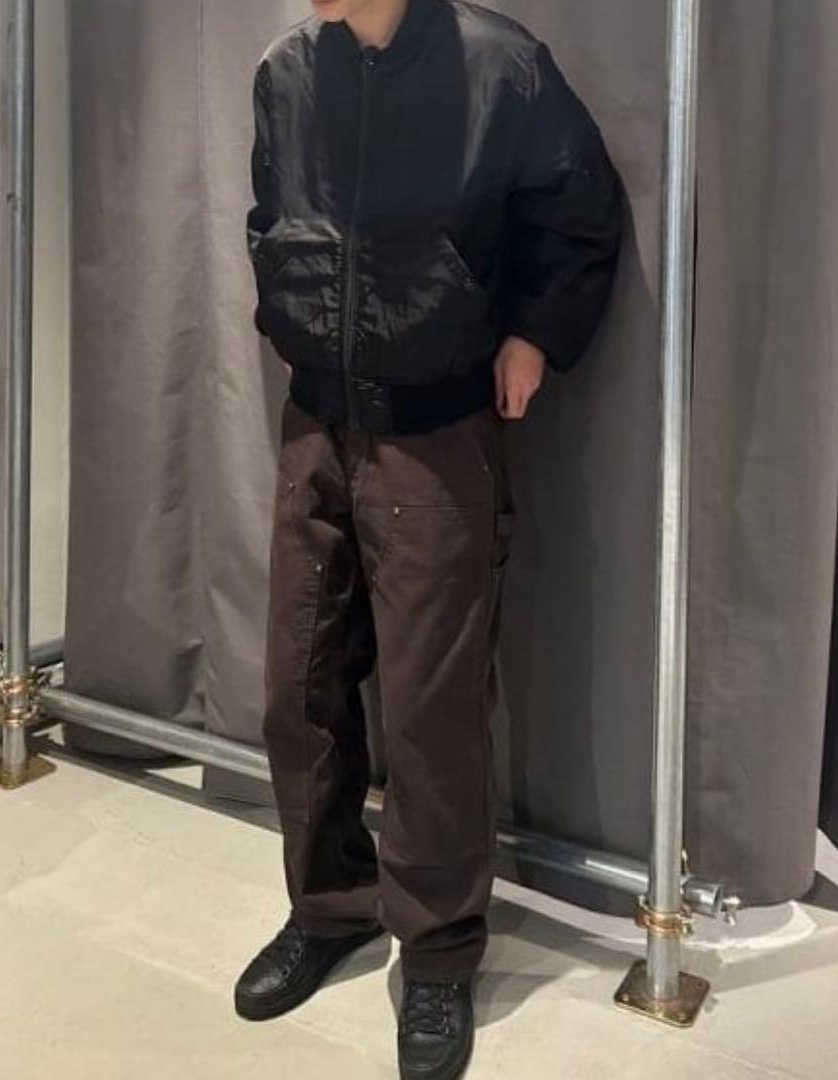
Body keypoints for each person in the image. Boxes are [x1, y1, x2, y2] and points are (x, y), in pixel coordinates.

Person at [234, 1, 622, 1076]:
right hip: (315, 423)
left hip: (439, 431)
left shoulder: (500, 65)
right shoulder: (284, 70)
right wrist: (289, 317)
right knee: (296, 688)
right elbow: (270, 214)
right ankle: (327, 906)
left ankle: (439, 953)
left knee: (430, 707)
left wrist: (534, 335)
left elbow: (580, 212)